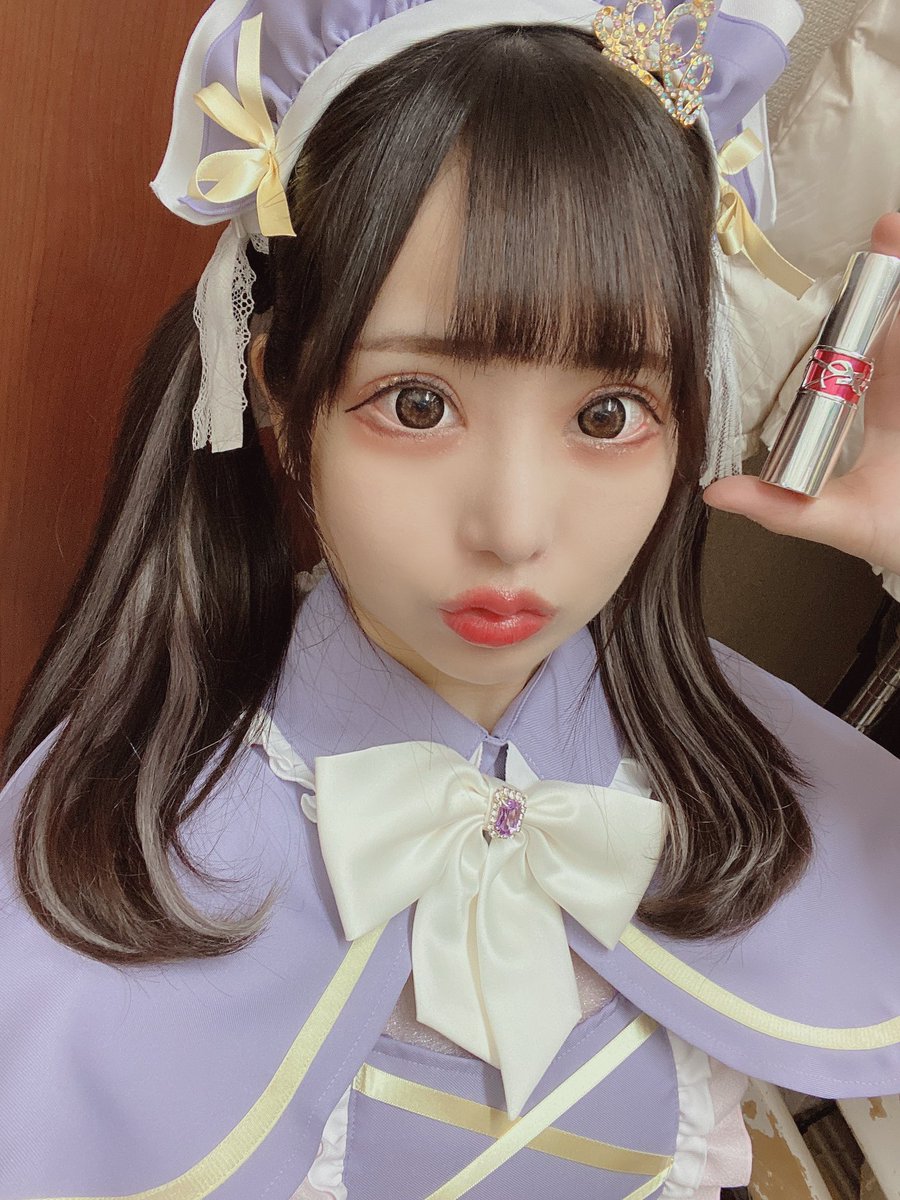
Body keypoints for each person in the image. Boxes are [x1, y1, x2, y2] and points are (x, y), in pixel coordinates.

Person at [1, 1, 899, 1197]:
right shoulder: (116, 854)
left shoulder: (738, 778)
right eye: (418, 405)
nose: (514, 527)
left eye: (607, 414)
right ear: (280, 398)